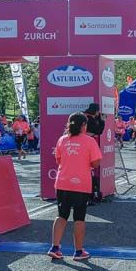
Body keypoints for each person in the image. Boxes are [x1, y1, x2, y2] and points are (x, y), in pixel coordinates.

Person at [48, 112, 101, 261]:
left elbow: (58, 160)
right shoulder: (90, 141)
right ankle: (78, 251)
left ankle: (55, 247)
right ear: (84, 125)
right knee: (79, 218)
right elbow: (96, 162)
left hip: (62, 182)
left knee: (61, 215)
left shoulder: (62, 140)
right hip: (80, 184)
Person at [84, 103, 106, 203]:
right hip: (86, 145)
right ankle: (89, 195)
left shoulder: (84, 117)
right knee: (88, 170)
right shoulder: (90, 119)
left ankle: (89, 194)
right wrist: (102, 121)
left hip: (79, 145)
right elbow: (98, 131)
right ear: (96, 111)